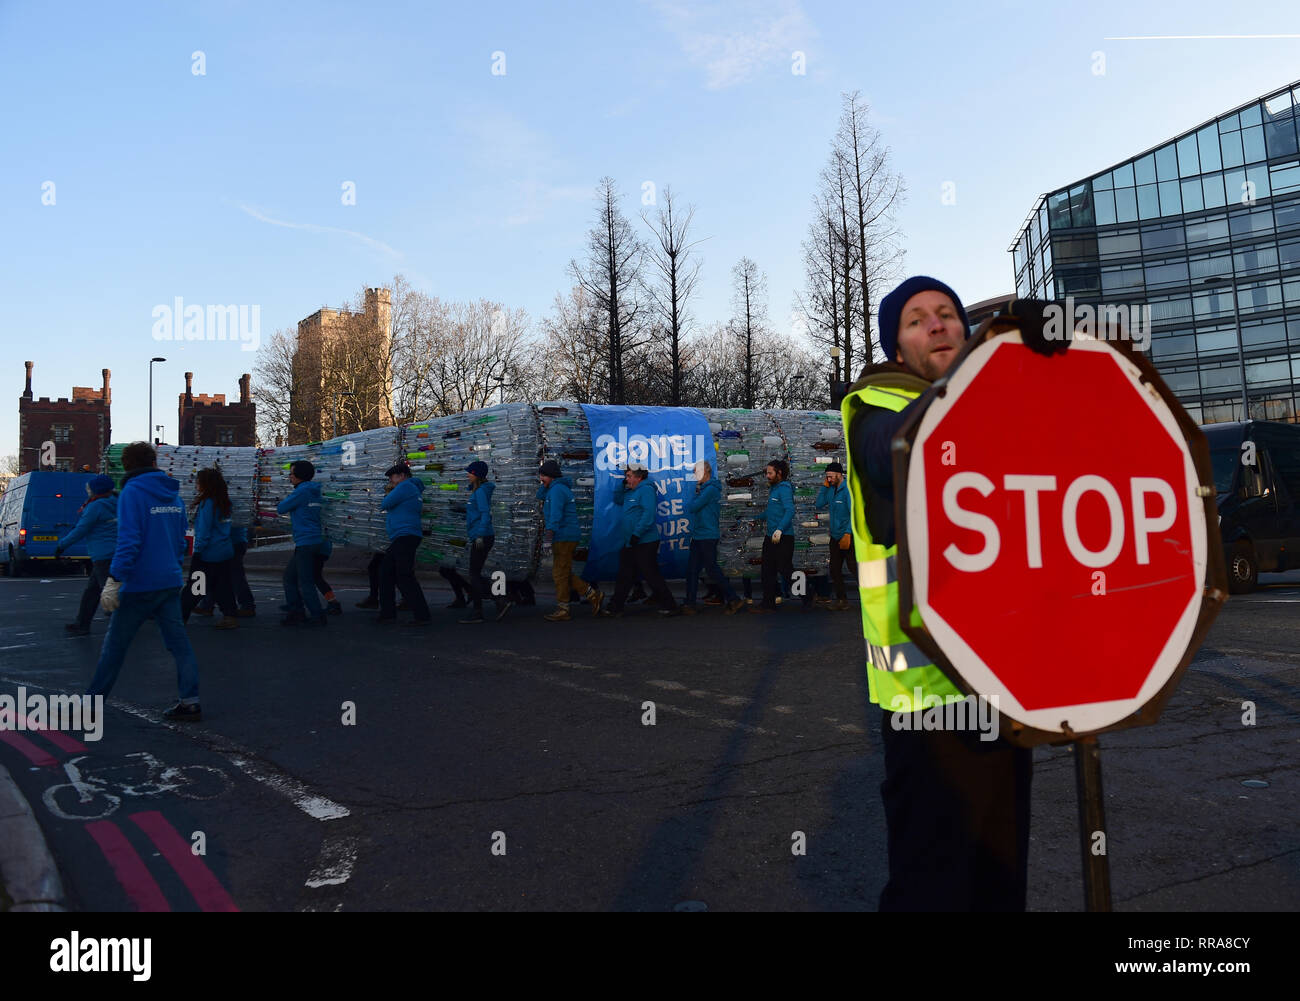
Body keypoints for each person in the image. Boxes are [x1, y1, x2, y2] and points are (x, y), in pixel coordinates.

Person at [844, 275, 1050, 911]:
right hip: (928, 702)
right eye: (915, 319)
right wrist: (994, 356)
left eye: (947, 314)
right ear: (895, 347)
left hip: (1003, 688)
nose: (936, 325)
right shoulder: (874, 408)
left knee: (999, 877)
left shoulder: (996, 405)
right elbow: (898, 454)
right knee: (932, 885)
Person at [85, 442, 201, 721]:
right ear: (152, 462)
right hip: (170, 581)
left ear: (127, 466)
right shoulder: (174, 496)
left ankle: (89, 705)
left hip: (139, 583)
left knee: (115, 647)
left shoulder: (131, 494)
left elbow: (129, 541)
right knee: (180, 645)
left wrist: (114, 579)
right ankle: (190, 701)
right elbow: (181, 541)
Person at [600, 465, 677, 617]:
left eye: (629, 476)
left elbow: (648, 514)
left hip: (644, 541)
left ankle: (670, 605)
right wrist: (622, 486)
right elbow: (617, 499)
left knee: (650, 574)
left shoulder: (646, 490)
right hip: (632, 541)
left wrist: (637, 534)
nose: (626, 479)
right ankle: (616, 607)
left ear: (638, 477)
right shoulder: (630, 492)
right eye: (626, 476)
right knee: (625, 574)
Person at [536, 460, 603, 621]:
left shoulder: (557, 490)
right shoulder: (555, 488)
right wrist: (544, 484)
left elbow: (556, 515)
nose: (541, 478)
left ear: (552, 476)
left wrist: (548, 537)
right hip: (565, 536)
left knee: (559, 574)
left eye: (543, 475)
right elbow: (540, 495)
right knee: (564, 571)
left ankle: (564, 608)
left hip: (563, 536)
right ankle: (592, 595)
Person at [57, 475, 119, 636]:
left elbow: (81, 529)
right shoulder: (117, 503)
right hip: (117, 553)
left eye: (89, 489)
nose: (88, 492)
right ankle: (82, 623)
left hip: (102, 555)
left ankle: (123, 625)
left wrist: (61, 545)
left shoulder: (95, 507)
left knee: (108, 594)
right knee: (92, 592)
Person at [681, 459, 744, 615]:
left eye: (697, 472)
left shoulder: (709, 490)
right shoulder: (706, 488)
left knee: (711, 569)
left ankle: (733, 598)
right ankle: (690, 603)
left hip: (707, 535)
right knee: (693, 570)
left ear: (706, 472)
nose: (695, 476)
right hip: (700, 534)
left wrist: (695, 495)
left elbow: (693, 507)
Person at [180, 468, 240, 629]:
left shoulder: (208, 503)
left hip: (208, 553)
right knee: (222, 585)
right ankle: (230, 615)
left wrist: (197, 551)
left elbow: (204, 531)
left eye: (198, 481)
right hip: (225, 550)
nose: (196, 484)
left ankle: (180, 617)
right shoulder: (224, 501)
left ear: (206, 484)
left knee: (195, 586)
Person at [377, 462, 431, 626]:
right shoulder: (412, 488)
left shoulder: (405, 487)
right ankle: (389, 613)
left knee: (402, 576)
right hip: (406, 535)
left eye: (392, 477)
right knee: (389, 573)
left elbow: (384, 504)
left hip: (404, 535)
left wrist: (389, 493)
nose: (391, 481)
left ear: (402, 475)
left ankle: (420, 615)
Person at [755, 459, 812, 612]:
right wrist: (756, 518)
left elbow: (789, 510)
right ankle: (768, 603)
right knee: (767, 571)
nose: (767, 476)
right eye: (767, 473)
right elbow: (772, 511)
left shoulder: (784, 488)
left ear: (779, 473)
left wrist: (780, 530)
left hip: (784, 537)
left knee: (785, 570)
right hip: (770, 537)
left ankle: (807, 595)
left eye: (770, 473)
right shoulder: (774, 489)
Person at [277, 460, 327, 627]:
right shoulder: (314, 490)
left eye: (291, 473)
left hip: (305, 541)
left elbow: (281, 508)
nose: (289, 477)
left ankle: (315, 615)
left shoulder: (301, 492)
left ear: (299, 476)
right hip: (314, 539)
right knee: (290, 577)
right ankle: (296, 609)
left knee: (304, 581)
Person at [459, 460, 511, 623]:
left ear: (477, 474)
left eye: (470, 472)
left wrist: (480, 534)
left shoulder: (480, 492)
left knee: (474, 574)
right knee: (475, 573)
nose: (467, 474)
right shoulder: (478, 491)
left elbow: (485, 513)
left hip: (482, 536)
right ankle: (498, 599)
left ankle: (480, 610)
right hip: (480, 535)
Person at [814, 462, 854, 610]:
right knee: (834, 569)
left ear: (839, 474)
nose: (829, 479)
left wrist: (848, 533)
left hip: (847, 535)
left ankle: (871, 599)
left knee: (854, 568)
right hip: (835, 536)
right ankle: (842, 600)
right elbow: (819, 504)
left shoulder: (848, 490)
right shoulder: (830, 489)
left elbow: (853, 514)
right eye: (827, 477)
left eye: (830, 477)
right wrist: (824, 487)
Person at [194, 519, 255, 617]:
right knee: (222, 575)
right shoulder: (233, 505)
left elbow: (210, 524)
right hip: (235, 540)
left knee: (233, 576)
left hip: (228, 541)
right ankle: (207, 605)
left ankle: (246, 606)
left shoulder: (215, 504)